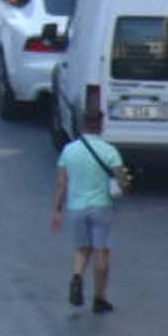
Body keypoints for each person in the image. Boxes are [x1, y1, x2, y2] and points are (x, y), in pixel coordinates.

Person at [52, 108, 129, 312]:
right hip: (101, 207)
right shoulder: (109, 151)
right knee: (101, 252)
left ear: (82, 124)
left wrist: (57, 210)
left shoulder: (69, 150)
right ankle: (99, 297)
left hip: (76, 207)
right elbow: (121, 180)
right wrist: (125, 186)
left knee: (82, 249)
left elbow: (61, 183)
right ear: (101, 125)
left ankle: (77, 276)